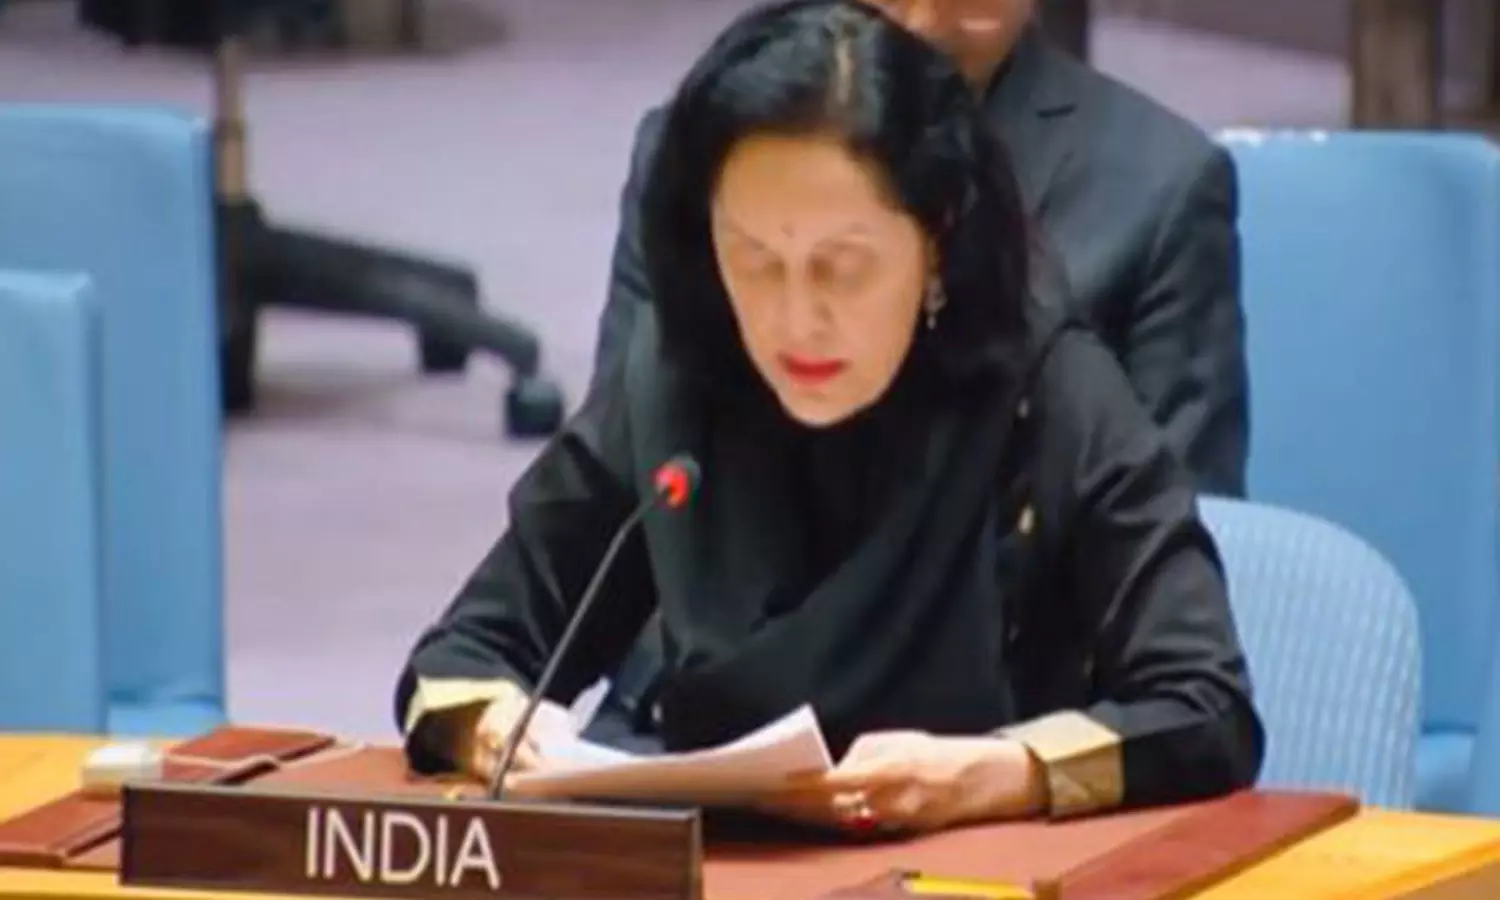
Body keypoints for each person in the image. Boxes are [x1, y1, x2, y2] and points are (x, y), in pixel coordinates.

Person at [397, 0, 1263, 833]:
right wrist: (502, 731)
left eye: (841, 269)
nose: (795, 320)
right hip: (709, 856)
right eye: (754, 261)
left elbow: (1205, 706)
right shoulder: (681, 373)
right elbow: (461, 661)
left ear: (936, 241)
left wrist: (1004, 773)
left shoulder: (1047, 384)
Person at [593, 0, 1249, 498]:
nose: (921, 19)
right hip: (723, 614)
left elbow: (1181, 541)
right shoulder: (703, 151)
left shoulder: (1160, 190)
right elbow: (613, 480)